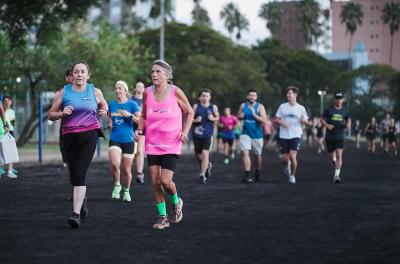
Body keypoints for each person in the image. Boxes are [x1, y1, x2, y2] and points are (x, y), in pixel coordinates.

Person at [134, 60, 193, 229]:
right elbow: (144, 115)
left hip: (172, 142)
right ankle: (163, 217)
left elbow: (189, 112)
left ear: (167, 75)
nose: (154, 75)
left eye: (158, 72)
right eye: (152, 72)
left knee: (165, 181)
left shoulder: (175, 92)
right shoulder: (147, 92)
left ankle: (176, 201)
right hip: (153, 143)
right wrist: (139, 129)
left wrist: (185, 132)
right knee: (154, 181)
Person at [49, 61, 108, 228]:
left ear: (88, 75)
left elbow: (104, 105)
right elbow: (51, 115)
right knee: (73, 173)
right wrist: (61, 113)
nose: (80, 74)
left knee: (80, 172)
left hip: (89, 136)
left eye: (83, 72)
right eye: (77, 72)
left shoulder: (95, 91)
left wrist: (104, 111)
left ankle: (75, 215)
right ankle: (82, 202)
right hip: (69, 137)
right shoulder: (63, 92)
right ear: (72, 76)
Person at [108, 80, 141, 202]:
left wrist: (130, 115)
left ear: (125, 91)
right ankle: (117, 185)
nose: (117, 90)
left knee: (127, 170)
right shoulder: (112, 104)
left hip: (129, 140)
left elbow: (140, 121)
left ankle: (126, 191)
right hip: (115, 138)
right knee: (115, 164)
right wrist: (110, 124)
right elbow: (109, 117)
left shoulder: (132, 105)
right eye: (116, 88)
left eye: (120, 88)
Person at [275, 86, 309, 184]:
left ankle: (292, 176)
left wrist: (304, 121)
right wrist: (283, 123)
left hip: (296, 134)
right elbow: (276, 119)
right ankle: (286, 165)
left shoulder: (301, 108)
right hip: (284, 135)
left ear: (295, 95)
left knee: (292, 156)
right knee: (285, 158)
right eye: (287, 94)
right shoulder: (282, 106)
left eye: (290, 93)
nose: (288, 95)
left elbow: (307, 121)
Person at [238, 89, 267, 183]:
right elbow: (239, 115)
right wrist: (240, 116)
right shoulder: (243, 105)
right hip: (245, 133)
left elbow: (264, 120)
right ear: (247, 96)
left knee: (257, 156)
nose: (252, 97)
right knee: (245, 152)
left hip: (257, 134)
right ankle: (246, 174)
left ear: (256, 97)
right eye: (250, 95)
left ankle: (257, 172)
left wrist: (254, 114)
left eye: (254, 95)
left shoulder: (260, 107)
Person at [320, 92, 349, 184]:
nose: (339, 100)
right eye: (337, 98)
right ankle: (333, 160)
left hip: (340, 136)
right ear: (334, 100)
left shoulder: (345, 110)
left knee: (339, 155)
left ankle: (336, 175)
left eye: (340, 99)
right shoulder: (329, 110)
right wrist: (327, 125)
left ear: (342, 100)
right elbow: (321, 119)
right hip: (330, 137)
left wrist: (348, 125)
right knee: (331, 153)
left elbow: (348, 119)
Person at [192, 89, 219, 183]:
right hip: (197, 134)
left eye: (207, 96)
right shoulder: (196, 106)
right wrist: (196, 120)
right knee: (198, 155)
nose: (205, 97)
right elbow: (190, 118)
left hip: (208, 134)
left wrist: (213, 118)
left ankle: (202, 175)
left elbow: (217, 118)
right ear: (200, 97)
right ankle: (207, 166)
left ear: (210, 97)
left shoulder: (213, 107)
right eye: (203, 95)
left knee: (205, 153)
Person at [131, 81, 146, 183]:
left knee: (140, 151)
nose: (140, 88)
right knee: (133, 152)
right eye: (138, 87)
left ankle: (140, 174)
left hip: (142, 129)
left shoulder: (146, 101)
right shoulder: (130, 100)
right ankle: (128, 172)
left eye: (142, 87)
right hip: (131, 128)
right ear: (135, 89)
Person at [2, 96, 18, 178]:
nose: (7, 102)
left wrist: (7, 123)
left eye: (8, 101)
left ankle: (10, 170)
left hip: (9, 131)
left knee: (10, 151)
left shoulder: (11, 111)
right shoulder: (2, 110)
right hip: (2, 132)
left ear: (11, 102)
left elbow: (12, 122)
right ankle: (4, 169)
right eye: (5, 101)